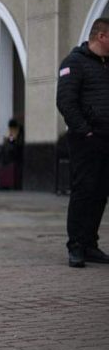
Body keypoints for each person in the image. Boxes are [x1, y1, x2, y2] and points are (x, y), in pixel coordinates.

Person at [56, 17, 109, 268]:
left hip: (106, 139)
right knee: (83, 191)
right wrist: (85, 131)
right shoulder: (73, 63)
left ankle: (90, 244)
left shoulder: (106, 65)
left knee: (100, 193)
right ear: (102, 36)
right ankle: (75, 246)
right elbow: (65, 102)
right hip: (85, 140)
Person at [0, 118, 23, 190]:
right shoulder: (14, 131)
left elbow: (15, 141)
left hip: (15, 153)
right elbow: (11, 139)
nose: (10, 129)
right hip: (9, 153)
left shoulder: (19, 131)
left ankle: (5, 183)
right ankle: (2, 182)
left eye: (11, 128)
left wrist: (10, 139)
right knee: (2, 164)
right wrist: (8, 139)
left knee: (6, 165)